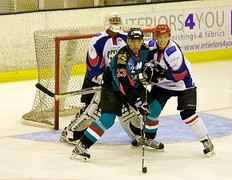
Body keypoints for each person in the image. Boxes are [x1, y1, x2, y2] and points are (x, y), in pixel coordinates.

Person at [70, 28, 164, 161]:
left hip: (133, 85)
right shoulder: (122, 57)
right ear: (128, 41)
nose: (135, 44)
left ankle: (147, 138)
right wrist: (137, 101)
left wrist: (152, 70)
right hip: (113, 88)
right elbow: (122, 84)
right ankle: (81, 146)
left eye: (138, 41)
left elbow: (149, 62)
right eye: (132, 41)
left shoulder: (144, 50)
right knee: (108, 119)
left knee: (155, 108)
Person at [60, 11, 143, 144]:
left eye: (117, 20)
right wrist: (103, 78)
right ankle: (71, 132)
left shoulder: (127, 38)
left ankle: (138, 133)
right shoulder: (97, 40)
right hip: (99, 80)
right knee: (94, 110)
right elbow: (93, 63)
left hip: (121, 80)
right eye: (113, 21)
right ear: (107, 22)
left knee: (127, 107)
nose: (115, 23)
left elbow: (135, 56)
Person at [147, 24, 215, 157]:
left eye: (165, 37)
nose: (162, 40)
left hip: (183, 83)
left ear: (169, 37)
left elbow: (180, 74)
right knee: (152, 109)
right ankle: (149, 138)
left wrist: (158, 76)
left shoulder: (173, 52)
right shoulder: (151, 46)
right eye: (160, 37)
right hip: (163, 84)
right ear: (156, 37)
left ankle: (206, 141)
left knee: (188, 114)